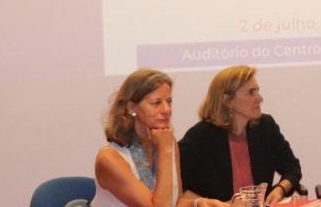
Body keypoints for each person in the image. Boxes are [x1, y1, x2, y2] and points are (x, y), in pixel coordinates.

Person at [179, 65, 302, 205]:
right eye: (251, 92)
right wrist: (205, 203)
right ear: (228, 101)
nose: (260, 98)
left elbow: (292, 168)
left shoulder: (266, 127)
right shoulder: (200, 136)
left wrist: (280, 189)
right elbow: (177, 186)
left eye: (257, 91)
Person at [94, 68, 190, 207]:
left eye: (169, 101)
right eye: (156, 103)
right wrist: (165, 151)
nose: (167, 110)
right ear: (132, 108)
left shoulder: (168, 143)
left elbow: (175, 201)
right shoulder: (109, 159)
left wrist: (197, 203)